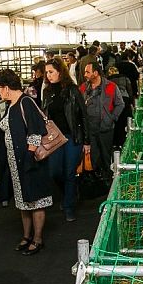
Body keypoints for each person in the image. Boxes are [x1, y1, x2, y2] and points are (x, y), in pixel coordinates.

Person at [0, 70, 53, 254]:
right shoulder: (12, 104)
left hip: (29, 162)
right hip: (16, 163)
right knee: (22, 201)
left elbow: (35, 133)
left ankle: (37, 239)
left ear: (7, 88)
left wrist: (28, 158)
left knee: (35, 200)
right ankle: (27, 236)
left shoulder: (26, 102)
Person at [42, 58, 86, 222]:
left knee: (69, 172)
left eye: (51, 72)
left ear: (60, 72)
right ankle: (71, 193)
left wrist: (86, 141)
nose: (48, 75)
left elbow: (83, 115)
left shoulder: (73, 90)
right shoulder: (47, 92)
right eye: (47, 72)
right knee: (54, 172)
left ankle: (69, 207)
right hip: (55, 138)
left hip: (72, 136)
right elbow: (44, 114)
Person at [80, 60, 124, 186]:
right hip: (89, 129)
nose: (85, 75)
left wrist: (111, 118)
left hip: (105, 127)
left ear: (96, 72)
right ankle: (96, 180)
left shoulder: (111, 86)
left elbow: (120, 104)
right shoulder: (83, 88)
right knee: (93, 155)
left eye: (87, 72)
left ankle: (108, 179)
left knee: (105, 154)